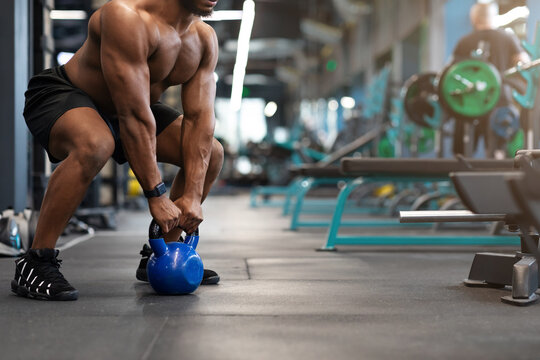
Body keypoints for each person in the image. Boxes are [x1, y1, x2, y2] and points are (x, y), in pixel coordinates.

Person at [12, 0, 224, 301]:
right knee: (97, 143)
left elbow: (200, 120)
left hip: (133, 108)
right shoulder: (126, 17)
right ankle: (36, 261)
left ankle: (161, 253)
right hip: (65, 92)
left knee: (212, 152)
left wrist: (192, 193)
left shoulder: (204, 39)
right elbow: (133, 116)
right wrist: (157, 194)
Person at [450, 2, 530, 155]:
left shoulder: (464, 41)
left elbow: (451, 75)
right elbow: (524, 64)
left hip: (469, 104)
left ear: (474, 19)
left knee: (463, 156)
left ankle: (462, 174)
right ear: (494, 16)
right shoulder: (508, 38)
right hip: (499, 102)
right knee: (497, 155)